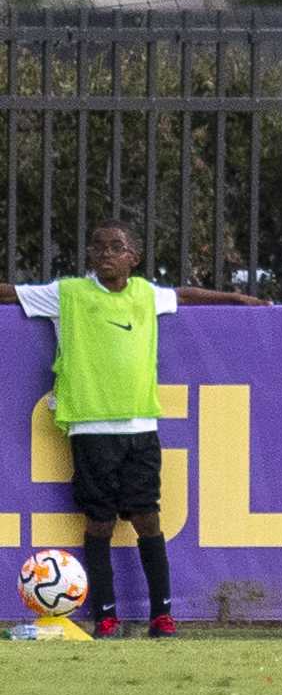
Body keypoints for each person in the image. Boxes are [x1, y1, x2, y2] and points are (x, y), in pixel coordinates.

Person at [1, 219, 268, 638]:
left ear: (133, 258)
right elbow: (10, 292)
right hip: (90, 428)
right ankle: (105, 614)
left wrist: (236, 298)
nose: (106, 253)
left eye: (116, 247)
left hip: (140, 426)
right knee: (100, 522)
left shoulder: (146, 295)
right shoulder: (66, 294)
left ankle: (161, 614)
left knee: (148, 518)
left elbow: (184, 295)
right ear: (90, 255)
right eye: (99, 246)